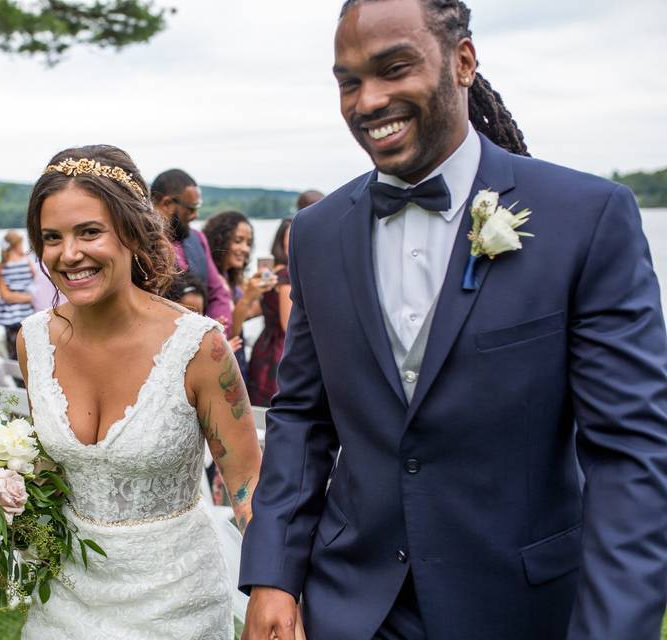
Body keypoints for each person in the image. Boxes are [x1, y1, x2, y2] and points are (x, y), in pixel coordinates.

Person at [240, 1, 667, 639]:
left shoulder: (586, 217)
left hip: (519, 607)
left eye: (394, 69)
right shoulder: (317, 234)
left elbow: (631, 454)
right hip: (353, 606)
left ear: (463, 61)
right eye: (349, 81)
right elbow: (303, 414)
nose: (367, 101)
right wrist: (273, 572)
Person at [17, 145, 262, 639]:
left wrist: (273, 591)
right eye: (52, 238)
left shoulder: (199, 347)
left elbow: (248, 487)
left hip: (175, 601)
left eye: (89, 232)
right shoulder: (34, 341)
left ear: (132, 231)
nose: (69, 254)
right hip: (64, 598)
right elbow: (46, 472)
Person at [151, 169, 234, 335]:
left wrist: (217, 328)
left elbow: (217, 291)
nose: (195, 215)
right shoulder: (140, 243)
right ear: (166, 204)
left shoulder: (198, 238)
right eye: (190, 209)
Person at [203, 210, 277, 382]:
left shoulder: (231, 278)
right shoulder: (211, 282)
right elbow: (230, 333)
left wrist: (262, 294)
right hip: (223, 365)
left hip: (238, 358)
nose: (245, 249)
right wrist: (247, 298)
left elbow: (245, 314)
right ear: (219, 239)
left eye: (249, 243)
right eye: (238, 241)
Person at [247, 218, 294, 407]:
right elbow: (288, 324)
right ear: (281, 241)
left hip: (264, 345)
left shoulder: (272, 272)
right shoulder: (287, 275)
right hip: (279, 349)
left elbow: (257, 309)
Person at [0, 230, 38, 357]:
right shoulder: (27, 260)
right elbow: (36, 277)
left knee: (14, 343)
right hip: (26, 305)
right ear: (16, 245)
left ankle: (0, 355)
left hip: (11, 310)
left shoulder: (3, 263)